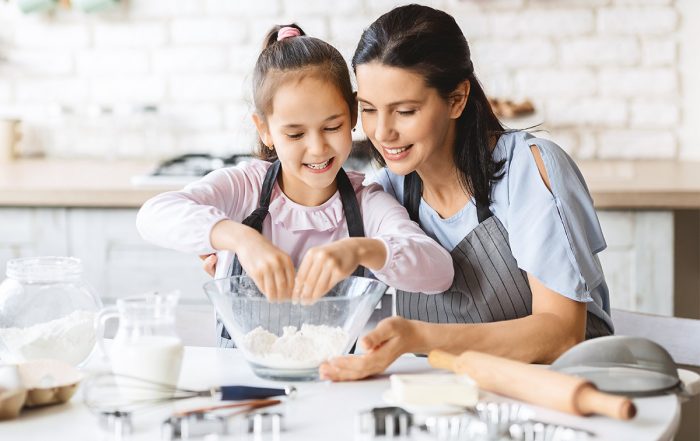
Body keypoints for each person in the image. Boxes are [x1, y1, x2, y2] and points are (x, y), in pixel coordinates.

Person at [318, 4, 614, 381]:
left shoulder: (529, 169)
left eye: (405, 111)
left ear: (456, 99)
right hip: (458, 398)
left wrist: (420, 336)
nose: (382, 132)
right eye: (369, 110)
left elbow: (562, 333)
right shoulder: (387, 192)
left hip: (570, 394)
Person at [136, 24, 454, 348]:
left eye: (332, 126)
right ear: (265, 130)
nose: (317, 148)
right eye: (295, 134)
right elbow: (154, 214)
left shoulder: (368, 202)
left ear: (354, 112)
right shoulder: (245, 186)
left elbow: (439, 271)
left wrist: (361, 249)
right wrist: (240, 237)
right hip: (243, 375)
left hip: (337, 382)